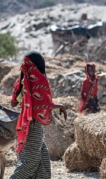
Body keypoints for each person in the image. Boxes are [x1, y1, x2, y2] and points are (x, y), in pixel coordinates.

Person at [9, 51, 67, 179]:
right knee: (30, 162)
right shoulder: (38, 79)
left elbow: (13, 103)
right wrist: (60, 106)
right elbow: (43, 105)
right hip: (33, 125)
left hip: (24, 124)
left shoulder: (22, 80)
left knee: (42, 158)